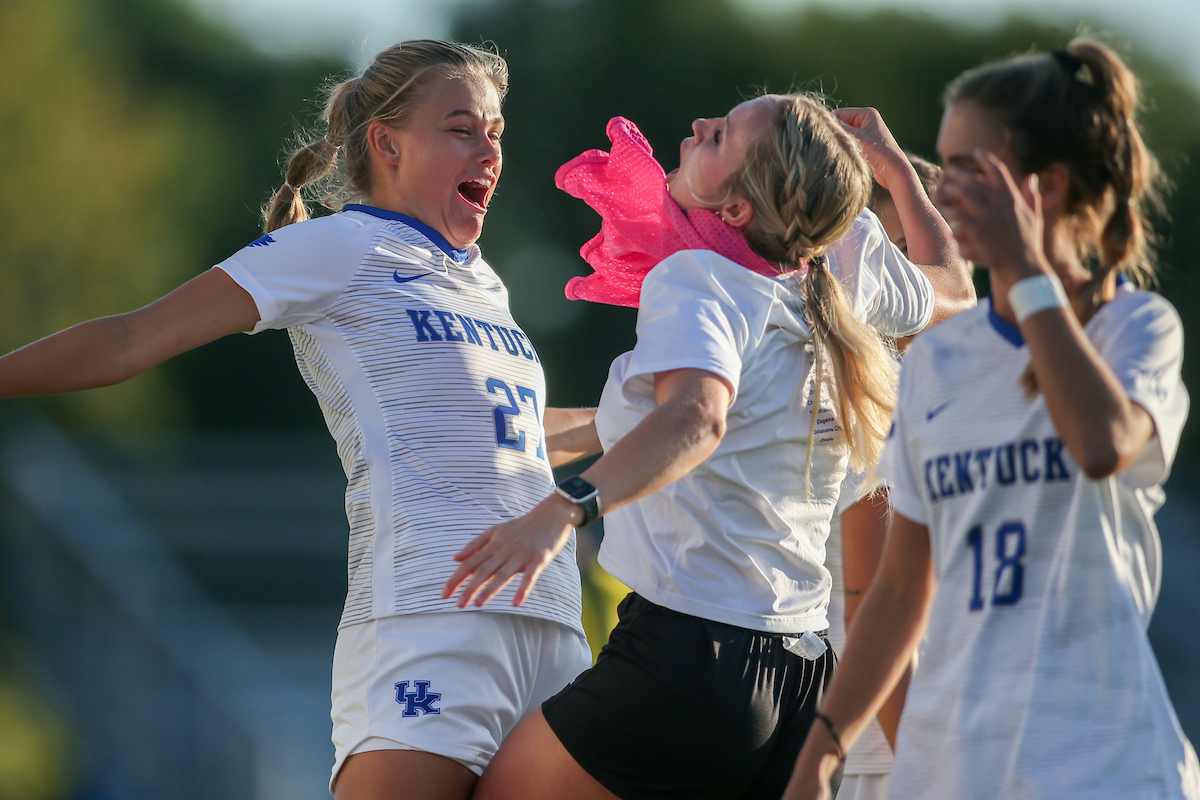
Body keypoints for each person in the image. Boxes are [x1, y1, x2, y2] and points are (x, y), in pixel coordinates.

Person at [0, 40, 597, 800]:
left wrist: (660, 420)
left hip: (551, 631)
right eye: (461, 128)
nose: (489, 150)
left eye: (496, 134)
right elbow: (129, 338)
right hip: (430, 622)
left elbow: (507, 435)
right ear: (386, 142)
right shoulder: (337, 245)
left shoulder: (483, 282)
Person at [443, 91, 974, 799]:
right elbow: (957, 292)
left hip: (689, 660)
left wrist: (562, 509)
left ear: (735, 211)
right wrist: (900, 178)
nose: (697, 126)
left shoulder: (698, 280)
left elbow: (696, 420)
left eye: (720, 137)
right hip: (798, 681)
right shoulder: (837, 273)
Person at [785, 38, 1200, 800]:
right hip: (955, 768)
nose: (944, 192)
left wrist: (1027, 270)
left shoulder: (1136, 328)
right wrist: (822, 750)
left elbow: (1102, 441)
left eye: (969, 169)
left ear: (1044, 186)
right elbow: (900, 587)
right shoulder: (941, 364)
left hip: (1102, 760)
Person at [826, 152, 945, 800]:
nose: (915, 284)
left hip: (940, 732)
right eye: (895, 253)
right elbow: (872, 597)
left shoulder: (936, 389)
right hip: (885, 746)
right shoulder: (866, 392)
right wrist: (929, 769)